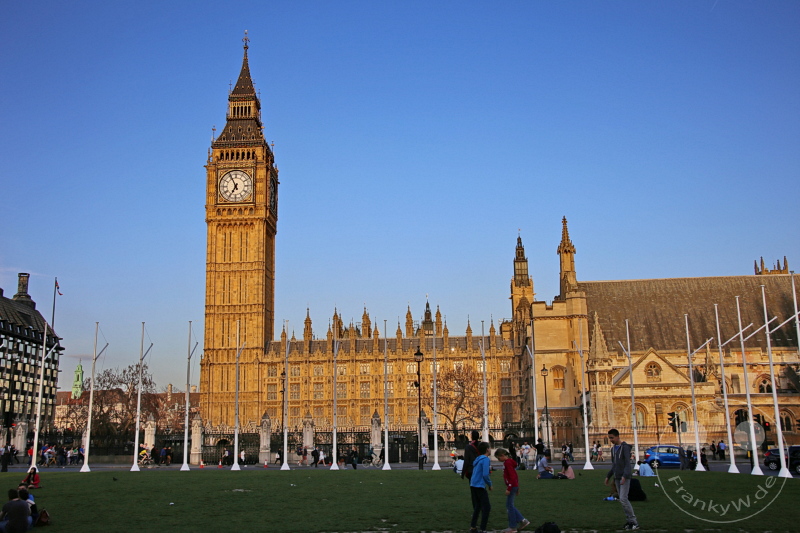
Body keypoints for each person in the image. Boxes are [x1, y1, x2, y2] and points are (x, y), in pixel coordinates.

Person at [604, 428, 639, 531]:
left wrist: (625, 476)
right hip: (617, 477)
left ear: (617, 436)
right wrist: (608, 476)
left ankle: (634, 521)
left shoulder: (625, 448)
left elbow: (627, 464)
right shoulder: (613, 449)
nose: (611, 440)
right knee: (622, 500)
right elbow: (614, 465)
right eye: (609, 438)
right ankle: (629, 521)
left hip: (624, 477)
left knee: (623, 499)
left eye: (612, 438)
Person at [495, 448, 530, 533]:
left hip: (512, 486)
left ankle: (513, 526)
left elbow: (512, 477)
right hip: (514, 485)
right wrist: (516, 487)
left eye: (498, 458)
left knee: (509, 506)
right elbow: (515, 476)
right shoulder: (509, 462)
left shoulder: (507, 463)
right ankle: (522, 520)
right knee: (510, 505)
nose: (498, 460)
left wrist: (509, 488)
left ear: (502, 455)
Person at [469, 442, 492, 533]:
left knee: (478, 506)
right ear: (487, 449)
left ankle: (473, 527)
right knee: (487, 507)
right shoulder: (485, 460)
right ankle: (483, 528)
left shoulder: (478, 459)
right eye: (489, 448)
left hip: (473, 484)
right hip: (479, 485)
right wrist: (490, 484)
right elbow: (485, 474)